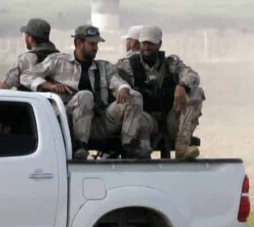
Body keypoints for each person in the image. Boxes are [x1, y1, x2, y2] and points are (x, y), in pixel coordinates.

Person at [61, 25, 153, 160]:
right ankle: (80, 147)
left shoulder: (104, 67)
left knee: (134, 96)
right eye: (92, 44)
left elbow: (117, 81)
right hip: (72, 122)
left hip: (101, 120)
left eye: (97, 44)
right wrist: (48, 85)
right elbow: (29, 75)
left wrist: (123, 88)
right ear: (79, 43)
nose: (96, 48)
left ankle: (129, 146)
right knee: (85, 95)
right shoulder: (60, 63)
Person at [126, 26, 204, 160]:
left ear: (159, 44)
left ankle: (182, 146)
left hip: (170, 119)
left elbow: (192, 75)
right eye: (144, 43)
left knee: (196, 93)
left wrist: (182, 86)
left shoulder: (170, 64)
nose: (147, 47)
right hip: (145, 121)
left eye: (151, 43)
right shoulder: (128, 65)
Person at [0, 18, 59, 89]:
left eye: (26, 35)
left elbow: (4, 86)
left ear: (30, 39)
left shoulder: (24, 60)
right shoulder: (60, 59)